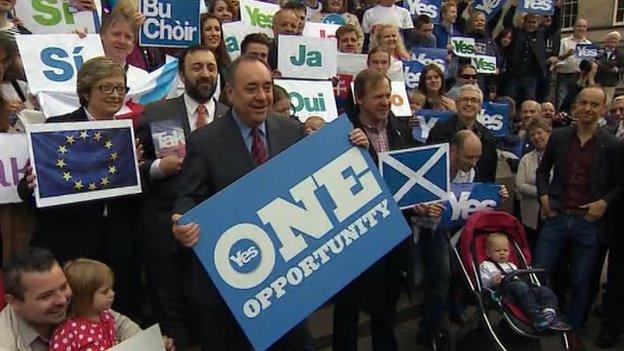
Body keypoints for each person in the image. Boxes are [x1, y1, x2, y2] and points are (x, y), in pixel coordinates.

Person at [170, 55, 369, 350]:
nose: (262, 96)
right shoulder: (205, 141)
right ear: (229, 93)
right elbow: (188, 195)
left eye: (267, 87)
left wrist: (353, 146)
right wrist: (181, 219)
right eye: (251, 88)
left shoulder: (291, 130)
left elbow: (320, 178)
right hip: (231, 288)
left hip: (284, 282)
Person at [17, 57, 139, 317]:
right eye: (107, 87)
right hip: (69, 245)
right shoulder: (55, 129)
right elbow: (28, 193)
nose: (116, 94)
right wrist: (30, 185)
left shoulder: (129, 134)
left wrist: (137, 170)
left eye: (121, 88)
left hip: (117, 247)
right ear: (86, 92)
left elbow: (138, 198)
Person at [137, 45, 228, 351]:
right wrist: (157, 168)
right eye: (197, 67)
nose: (205, 74)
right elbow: (132, 169)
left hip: (218, 234)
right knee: (173, 312)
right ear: (182, 74)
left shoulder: (233, 117)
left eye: (211, 68)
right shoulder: (157, 113)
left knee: (213, 315)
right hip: (165, 233)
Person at [333, 68, 415, 351]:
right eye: (378, 97)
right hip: (356, 236)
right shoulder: (341, 131)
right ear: (360, 99)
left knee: (387, 306)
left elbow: (407, 174)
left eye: (388, 96)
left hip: (392, 234)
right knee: (348, 308)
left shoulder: (401, 127)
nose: (385, 102)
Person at [534, 87, 622, 346]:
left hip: (588, 222)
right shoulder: (559, 137)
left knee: (582, 280)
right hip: (556, 216)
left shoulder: (613, 145)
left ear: (603, 110)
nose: (587, 109)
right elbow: (542, 171)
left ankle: (573, 330)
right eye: (583, 103)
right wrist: (543, 196)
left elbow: (620, 184)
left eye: (594, 105)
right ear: (575, 106)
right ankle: (533, 318)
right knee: (538, 272)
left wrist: (605, 202)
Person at [0, 248, 156, 350]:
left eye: (63, 287)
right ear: (13, 301)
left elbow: (120, 324)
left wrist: (152, 344)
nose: (62, 300)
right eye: (46, 296)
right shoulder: (5, 342)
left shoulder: (76, 299)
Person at [479, 233, 571, 331]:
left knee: (544, 291)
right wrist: (492, 281)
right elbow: (483, 283)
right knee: (520, 286)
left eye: (505, 250)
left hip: (522, 289)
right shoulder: (486, 265)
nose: (502, 253)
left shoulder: (512, 265)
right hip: (505, 292)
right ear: (488, 253)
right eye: (497, 250)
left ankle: (549, 313)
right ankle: (537, 316)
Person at [428, 84, 498, 182]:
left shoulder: (488, 136)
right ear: (456, 104)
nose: (469, 103)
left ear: (480, 107)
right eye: (464, 99)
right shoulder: (440, 130)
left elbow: (488, 175)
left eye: (474, 100)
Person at [49, 259, 120, 351]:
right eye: (105, 291)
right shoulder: (68, 332)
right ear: (84, 298)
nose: (112, 294)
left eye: (111, 288)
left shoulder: (107, 317)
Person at [503, 2, 561, 105]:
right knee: (509, 102)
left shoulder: (542, 34)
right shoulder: (517, 33)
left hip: (531, 78)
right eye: (529, 22)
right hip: (514, 75)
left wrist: (557, 9)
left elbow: (555, 25)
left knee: (530, 102)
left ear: (537, 23)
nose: (531, 25)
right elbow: (507, 22)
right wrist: (512, 8)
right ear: (524, 22)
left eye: (534, 22)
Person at [516, 117, 552, 250]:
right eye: (532, 135)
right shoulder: (526, 158)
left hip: (552, 215)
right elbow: (520, 185)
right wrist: (543, 192)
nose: (536, 137)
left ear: (548, 132)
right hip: (530, 217)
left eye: (539, 133)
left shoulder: (559, 156)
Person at [556, 19, 591, 109]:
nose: (581, 28)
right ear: (574, 27)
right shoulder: (564, 41)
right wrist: (566, 54)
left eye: (584, 26)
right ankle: (561, 120)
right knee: (562, 99)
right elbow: (557, 59)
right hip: (564, 75)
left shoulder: (588, 44)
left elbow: (590, 62)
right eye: (579, 26)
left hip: (580, 76)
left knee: (578, 101)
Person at [595, 31, 624, 104]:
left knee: (607, 103)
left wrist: (617, 70)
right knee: (597, 101)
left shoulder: (620, 54)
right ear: (607, 39)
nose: (613, 40)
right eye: (612, 38)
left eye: (615, 39)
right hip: (598, 81)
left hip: (610, 83)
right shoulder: (599, 51)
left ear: (618, 41)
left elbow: (622, 67)